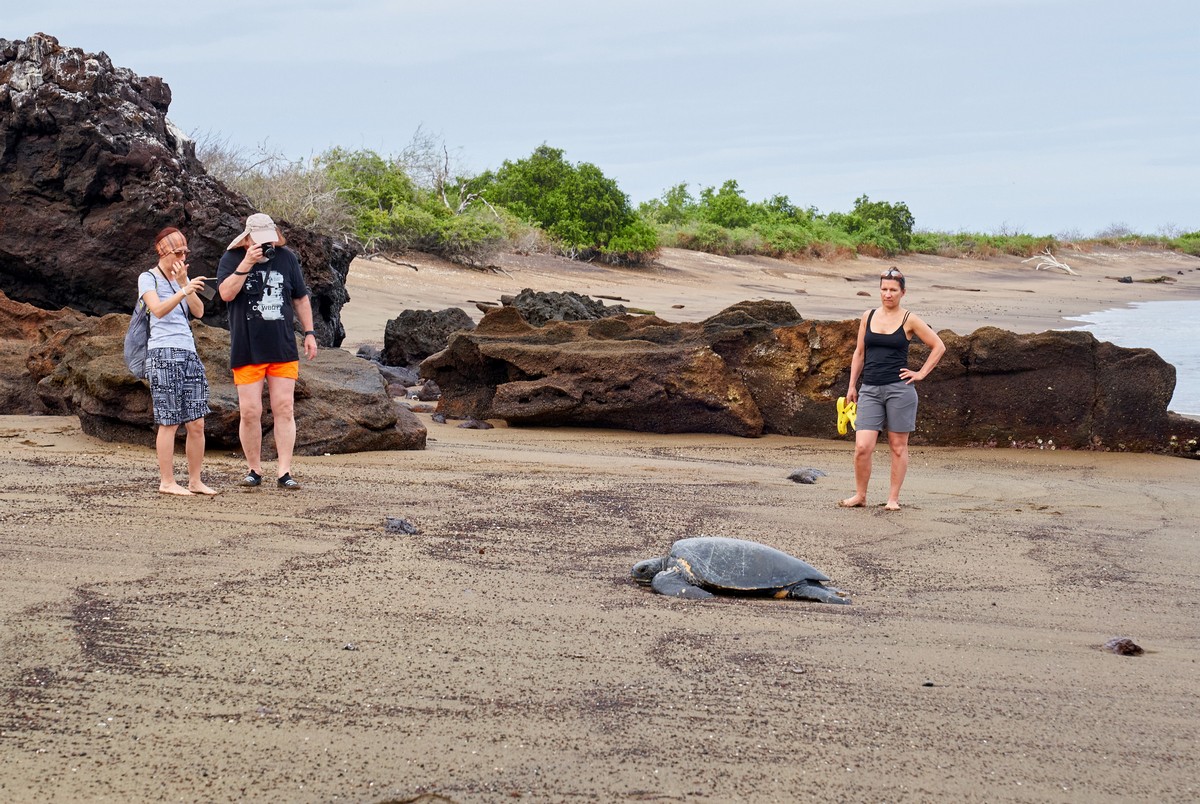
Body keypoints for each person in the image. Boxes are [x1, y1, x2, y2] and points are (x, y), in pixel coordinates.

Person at [216, 213, 318, 490]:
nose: (265, 244)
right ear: (247, 238)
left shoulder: (286, 258)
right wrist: (247, 263)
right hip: (247, 347)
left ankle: (284, 471)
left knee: (284, 408)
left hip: (282, 346)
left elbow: (300, 297)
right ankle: (254, 469)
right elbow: (225, 294)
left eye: (268, 238)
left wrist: (309, 333)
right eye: (259, 240)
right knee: (250, 411)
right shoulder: (232, 258)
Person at [840, 266, 945, 511]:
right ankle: (860, 495)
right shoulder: (868, 316)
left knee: (898, 447)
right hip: (869, 389)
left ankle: (893, 499)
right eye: (884, 289)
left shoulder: (910, 319)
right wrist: (852, 385)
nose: (888, 294)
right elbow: (859, 353)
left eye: (893, 290)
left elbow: (938, 346)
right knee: (862, 447)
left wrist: (920, 373)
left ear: (902, 292)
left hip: (900, 390)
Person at [141, 228, 216, 496]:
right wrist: (182, 290)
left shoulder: (179, 278)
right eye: (178, 252)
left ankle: (195, 481)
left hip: (188, 352)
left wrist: (185, 284)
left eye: (185, 252)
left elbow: (199, 312)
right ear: (163, 252)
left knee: (197, 421)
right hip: (163, 353)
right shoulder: (147, 278)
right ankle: (167, 481)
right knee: (169, 420)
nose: (183, 257)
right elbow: (158, 310)